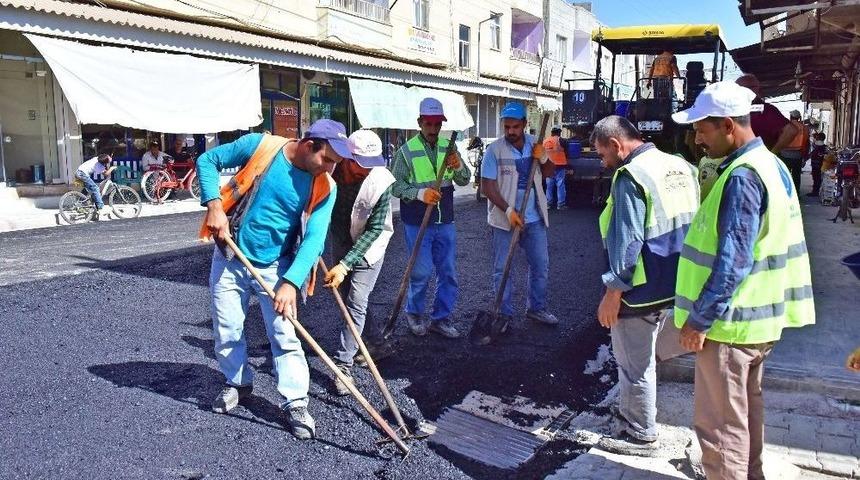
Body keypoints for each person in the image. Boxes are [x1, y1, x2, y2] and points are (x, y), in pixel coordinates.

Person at [672, 81, 815, 480]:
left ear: (727, 126)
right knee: (745, 413)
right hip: (757, 323)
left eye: (702, 130)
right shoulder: (771, 165)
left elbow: (732, 261)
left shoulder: (743, 177)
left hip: (730, 326)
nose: (698, 140)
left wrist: (699, 320)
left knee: (720, 427)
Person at [196, 119, 349, 440]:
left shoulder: (325, 186)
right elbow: (207, 160)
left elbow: (314, 240)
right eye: (327, 159)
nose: (330, 169)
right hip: (230, 254)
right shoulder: (262, 147)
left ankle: (296, 402)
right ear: (309, 145)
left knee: (285, 334)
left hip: (277, 266)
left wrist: (291, 282)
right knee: (227, 328)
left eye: (335, 163)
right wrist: (214, 207)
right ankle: (238, 382)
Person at [591, 116, 699, 457]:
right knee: (649, 355)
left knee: (634, 363)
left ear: (616, 144)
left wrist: (613, 293)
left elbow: (627, 242)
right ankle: (633, 408)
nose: (603, 162)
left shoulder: (631, 176)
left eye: (602, 154)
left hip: (641, 290)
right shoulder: (680, 166)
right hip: (678, 281)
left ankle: (639, 432)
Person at [389, 97, 472, 338]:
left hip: (445, 220)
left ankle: (441, 318)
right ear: (420, 122)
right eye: (429, 124)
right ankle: (414, 313)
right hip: (417, 221)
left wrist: (458, 166)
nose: (433, 129)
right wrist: (419, 193)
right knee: (421, 272)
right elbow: (395, 186)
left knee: (448, 272)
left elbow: (465, 179)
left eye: (437, 124)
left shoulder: (449, 147)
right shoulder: (406, 151)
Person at [325, 129, 397, 395]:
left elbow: (375, 228)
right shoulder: (330, 170)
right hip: (341, 237)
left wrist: (346, 265)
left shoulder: (382, 180)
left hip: (370, 244)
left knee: (356, 299)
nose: (366, 170)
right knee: (348, 299)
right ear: (347, 157)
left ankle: (343, 365)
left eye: (371, 164)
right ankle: (376, 342)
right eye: (360, 164)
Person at [481, 102, 559, 329]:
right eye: (507, 127)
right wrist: (508, 210)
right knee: (502, 269)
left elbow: (549, 173)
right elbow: (487, 186)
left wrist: (543, 158)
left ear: (524, 124)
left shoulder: (536, 144)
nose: (511, 131)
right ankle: (503, 315)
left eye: (515, 127)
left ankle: (537, 308)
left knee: (540, 265)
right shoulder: (494, 150)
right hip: (505, 220)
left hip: (534, 219)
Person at [736, 74, 800, 154]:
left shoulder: (766, 110)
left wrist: (772, 153)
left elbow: (791, 130)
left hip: (756, 157)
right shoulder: (744, 109)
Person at [778, 110, 809, 192]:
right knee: (796, 176)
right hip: (797, 155)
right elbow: (807, 143)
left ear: (791, 117)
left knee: (785, 175)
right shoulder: (804, 128)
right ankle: (796, 193)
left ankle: (785, 193)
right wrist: (805, 156)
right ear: (799, 118)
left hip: (784, 155)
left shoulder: (785, 126)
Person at [543, 126, 570, 210]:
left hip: (548, 166)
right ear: (559, 132)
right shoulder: (562, 140)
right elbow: (567, 152)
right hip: (560, 165)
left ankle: (548, 204)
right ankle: (560, 204)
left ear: (551, 132)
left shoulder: (545, 141)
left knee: (549, 186)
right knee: (560, 185)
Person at [808, 132, 827, 197]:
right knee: (818, 178)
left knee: (816, 178)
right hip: (819, 164)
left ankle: (815, 192)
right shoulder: (824, 147)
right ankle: (816, 191)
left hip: (815, 164)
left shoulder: (816, 145)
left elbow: (811, 154)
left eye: (817, 137)